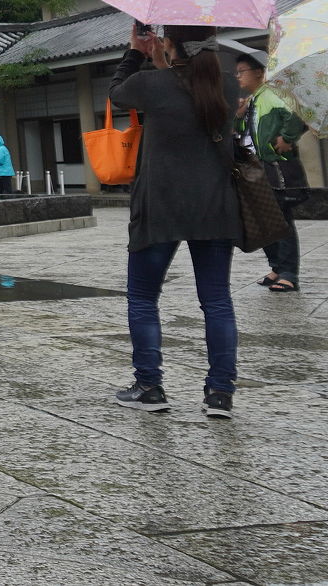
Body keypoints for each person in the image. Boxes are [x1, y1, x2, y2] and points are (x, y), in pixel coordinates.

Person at [109, 23, 240, 419]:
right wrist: (163, 56)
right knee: (216, 300)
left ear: (169, 44)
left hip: (160, 206)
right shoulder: (229, 87)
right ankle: (220, 394)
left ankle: (150, 386)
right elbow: (189, 83)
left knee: (144, 297)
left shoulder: (152, 84)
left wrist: (136, 51)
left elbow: (117, 92)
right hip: (215, 206)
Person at [232, 53, 310, 293]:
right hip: (255, 167)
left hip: (274, 167)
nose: (238, 76)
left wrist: (286, 138)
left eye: (241, 71)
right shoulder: (252, 99)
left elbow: (299, 116)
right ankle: (276, 266)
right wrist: (238, 116)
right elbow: (240, 132)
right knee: (265, 219)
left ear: (258, 72)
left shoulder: (274, 94)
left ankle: (288, 273)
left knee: (281, 220)